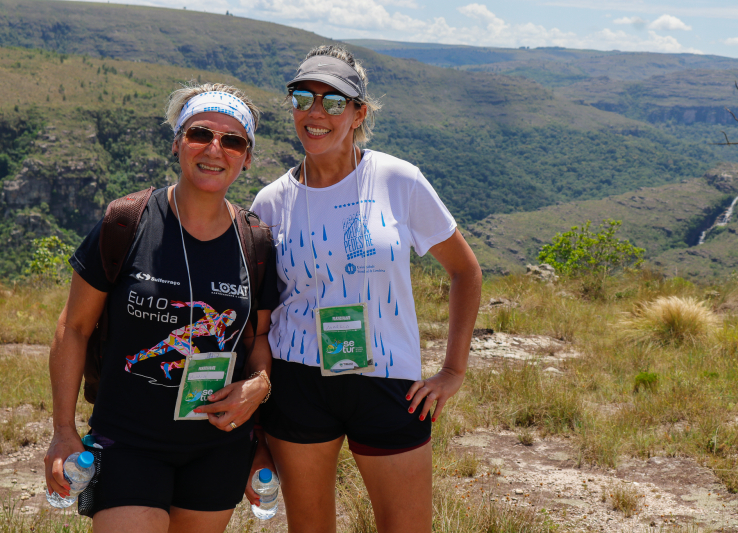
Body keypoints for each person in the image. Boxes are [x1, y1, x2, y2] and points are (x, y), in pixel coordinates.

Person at [249, 45, 482, 533]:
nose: (316, 113)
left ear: (358, 113)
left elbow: (465, 271)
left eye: (334, 102)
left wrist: (453, 370)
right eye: (303, 97)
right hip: (298, 380)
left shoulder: (399, 180)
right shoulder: (271, 202)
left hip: (388, 379)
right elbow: (261, 316)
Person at [44, 82, 279, 533]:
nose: (215, 149)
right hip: (128, 441)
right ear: (177, 143)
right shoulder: (125, 222)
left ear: (247, 157)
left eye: (233, 141)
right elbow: (72, 328)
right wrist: (62, 430)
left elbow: (260, 340)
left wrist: (260, 386)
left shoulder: (257, 242)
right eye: (199, 134)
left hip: (219, 445)